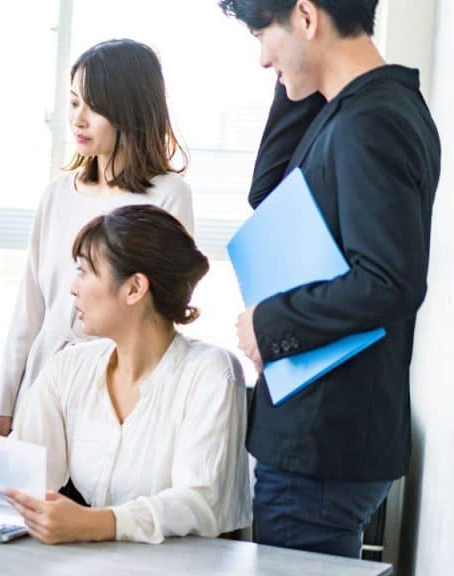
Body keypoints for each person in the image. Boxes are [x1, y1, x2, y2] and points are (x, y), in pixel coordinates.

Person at [219, 0, 440, 558]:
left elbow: (390, 280)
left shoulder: (374, 122)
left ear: (306, 16)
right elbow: (269, 194)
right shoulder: (355, 109)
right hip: (319, 440)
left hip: (322, 445)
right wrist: (301, 73)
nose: (262, 59)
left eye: (261, 33)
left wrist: (269, 326)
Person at [5, 205, 251, 544]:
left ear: (134, 288)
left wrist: (95, 524)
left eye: (85, 271)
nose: (74, 288)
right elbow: (21, 475)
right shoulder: (69, 367)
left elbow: (199, 503)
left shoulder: (211, 372)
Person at [0, 39, 194, 436]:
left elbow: (165, 310)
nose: (79, 119)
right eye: (73, 102)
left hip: (118, 388)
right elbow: (29, 311)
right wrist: (5, 409)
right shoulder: (58, 194)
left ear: (129, 109)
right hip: (44, 383)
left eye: (94, 106)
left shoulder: (168, 195)